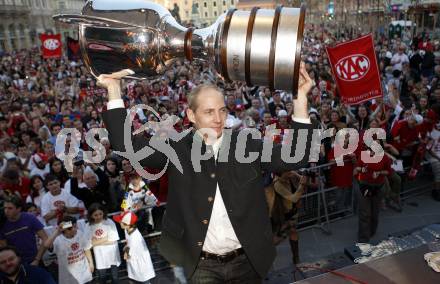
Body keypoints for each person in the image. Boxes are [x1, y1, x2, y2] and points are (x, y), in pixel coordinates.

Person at [99, 63, 315, 282]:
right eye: (209, 112)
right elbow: (126, 146)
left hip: (248, 260)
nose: (218, 119)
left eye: (222, 110)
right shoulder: (175, 149)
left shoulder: (246, 144)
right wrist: (114, 90)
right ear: (191, 115)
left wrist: (300, 98)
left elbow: (296, 156)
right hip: (202, 266)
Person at [44, 216, 94, 284]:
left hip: (84, 272)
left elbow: (86, 248)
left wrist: (91, 263)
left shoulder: (79, 233)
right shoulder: (58, 240)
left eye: (75, 226)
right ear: (63, 229)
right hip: (69, 276)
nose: (74, 229)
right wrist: (57, 231)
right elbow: (46, 245)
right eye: (70, 228)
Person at [0, 195, 48, 266]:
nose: (6, 211)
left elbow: (45, 239)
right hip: (15, 265)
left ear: (19, 209)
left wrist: (37, 259)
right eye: (5, 208)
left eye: (10, 208)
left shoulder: (30, 218)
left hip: (35, 261)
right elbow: (5, 249)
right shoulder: (2, 224)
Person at [113, 211, 155, 284]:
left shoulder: (135, 237)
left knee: (144, 279)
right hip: (135, 259)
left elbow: (131, 253)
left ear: (127, 224)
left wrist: (126, 252)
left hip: (140, 262)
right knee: (138, 278)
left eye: (120, 221)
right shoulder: (128, 229)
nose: (119, 222)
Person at [85, 203, 121, 284]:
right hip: (100, 256)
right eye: (96, 215)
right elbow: (87, 244)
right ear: (91, 216)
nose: (99, 217)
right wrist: (106, 238)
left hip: (112, 254)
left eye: (100, 214)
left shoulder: (109, 222)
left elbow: (113, 239)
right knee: (102, 277)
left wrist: (95, 242)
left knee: (115, 277)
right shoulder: (88, 226)